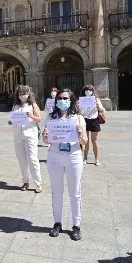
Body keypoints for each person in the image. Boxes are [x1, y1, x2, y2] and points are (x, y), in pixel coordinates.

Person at [42, 89, 87, 240]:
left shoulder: (78, 119)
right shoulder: (50, 117)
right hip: (54, 156)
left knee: (75, 193)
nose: (62, 100)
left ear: (71, 100)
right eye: (60, 98)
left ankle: (76, 225)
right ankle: (57, 223)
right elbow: (45, 141)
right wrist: (45, 137)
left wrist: (81, 135)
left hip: (73, 156)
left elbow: (85, 141)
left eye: (66, 98)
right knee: (57, 192)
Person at [9, 85, 43, 192]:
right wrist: (11, 121)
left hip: (30, 134)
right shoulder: (15, 106)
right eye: (20, 94)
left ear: (28, 94)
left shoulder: (32, 105)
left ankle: (38, 183)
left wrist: (32, 116)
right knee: (22, 159)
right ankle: (25, 181)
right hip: (17, 135)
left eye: (24, 94)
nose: (22, 96)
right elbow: (13, 118)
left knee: (32, 159)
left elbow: (39, 119)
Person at [78, 84, 106, 165]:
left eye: (90, 90)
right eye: (86, 90)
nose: (88, 91)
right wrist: (79, 106)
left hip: (94, 120)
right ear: (84, 91)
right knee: (85, 141)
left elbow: (103, 110)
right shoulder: (81, 100)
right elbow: (79, 111)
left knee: (94, 141)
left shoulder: (96, 100)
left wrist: (98, 107)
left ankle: (96, 159)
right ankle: (85, 158)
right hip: (85, 120)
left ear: (92, 91)